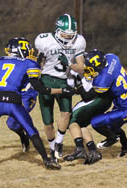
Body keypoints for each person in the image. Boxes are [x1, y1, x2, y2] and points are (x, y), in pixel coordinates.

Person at [0, 37, 74, 171]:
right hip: (13, 102)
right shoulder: (28, 63)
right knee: (32, 131)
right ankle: (46, 160)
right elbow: (41, 89)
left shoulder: (2, 61)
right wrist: (62, 90)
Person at [34, 13, 86, 161]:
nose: (68, 37)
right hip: (46, 80)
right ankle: (52, 149)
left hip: (64, 80)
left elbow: (81, 68)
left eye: (71, 35)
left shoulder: (79, 41)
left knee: (66, 113)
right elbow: (40, 63)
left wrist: (69, 64)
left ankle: (58, 143)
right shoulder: (44, 40)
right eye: (65, 34)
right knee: (47, 121)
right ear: (57, 30)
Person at [80, 49, 127, 152]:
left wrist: (78, 86)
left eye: (91, 69)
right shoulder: (112, 58)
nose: (89, 71)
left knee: (96, 121)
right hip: (125, 101)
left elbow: (87, 96)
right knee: (112, 126)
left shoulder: (102, 81)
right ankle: (126, 146)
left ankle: (111, 138)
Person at [0, 69, 38, 153]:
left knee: (12, 123)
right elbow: (0, 76)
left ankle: (32, 138)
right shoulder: (10, 61)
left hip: (27, 96)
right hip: (11, 93)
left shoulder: (29, 62)